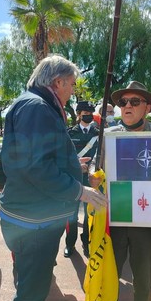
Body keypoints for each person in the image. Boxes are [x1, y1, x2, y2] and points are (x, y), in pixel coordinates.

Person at [0, 54, 107, 301]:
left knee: (33, 282)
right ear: (58, 82)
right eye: (71, 84)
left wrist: (71, 166)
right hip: (33, 221)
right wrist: (80, 191)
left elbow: (36, 158)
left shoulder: (33, 103)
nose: (72, 91)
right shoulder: (37, 107)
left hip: (32, 215)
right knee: (32, 292)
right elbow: (36, 167)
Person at [91, 81, 151, 301]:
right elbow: (99, 175)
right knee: (109, 278)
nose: (127, 106)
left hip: (146, 223)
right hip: (113, 219)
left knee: (143, 282)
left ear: (147, 108)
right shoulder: (108, 136)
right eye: (123, 102)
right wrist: (94, 179)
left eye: (135, 102)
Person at [64, 100, 99, 258]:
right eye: (86, 114)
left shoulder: (98, 133)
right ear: (78, 115)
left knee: (89, 213)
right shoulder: (69, 133)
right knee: (71, 214)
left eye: (91, 114)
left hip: (92, 179)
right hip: (74, 179)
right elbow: (64, 157)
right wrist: (76, 166)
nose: (89, 116)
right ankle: (69, 244)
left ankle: (87, 241)